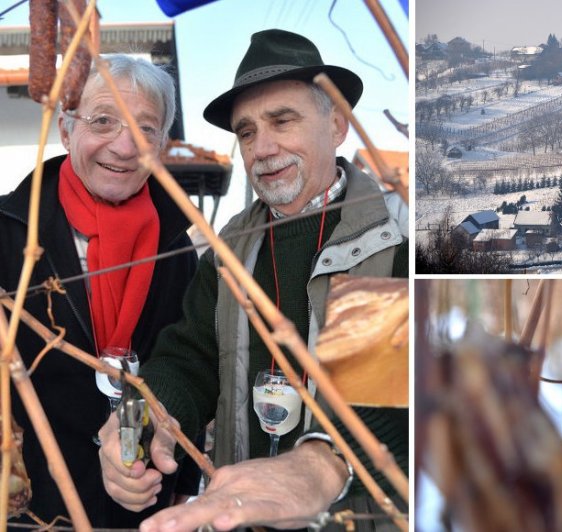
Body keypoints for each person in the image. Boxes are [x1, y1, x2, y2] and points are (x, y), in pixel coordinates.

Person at [98, 29, 408, 531]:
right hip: (237, 517)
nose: (262, 148)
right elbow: (189, 357)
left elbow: (396, 390)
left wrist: (324, 463)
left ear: (337, 124)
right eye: (246, 132)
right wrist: (147, 415)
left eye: (282, 121)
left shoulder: (391, 238)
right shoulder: (230, 249)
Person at [0, 55, 201, 527]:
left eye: (145, 129)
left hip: (138, 503)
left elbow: (188, 363)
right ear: (67, 132)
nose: (125, 146)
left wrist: (179, 486)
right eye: (103, 121)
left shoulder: (177, 246)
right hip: (30, 506)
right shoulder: (11, 232)